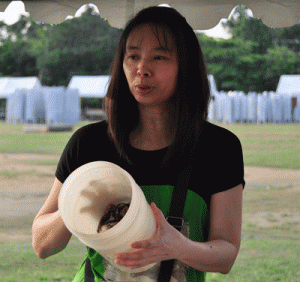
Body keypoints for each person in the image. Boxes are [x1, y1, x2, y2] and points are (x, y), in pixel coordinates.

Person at [32, 6, 245, 282]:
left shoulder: (219, 148)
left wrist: (177, 246)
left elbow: (226, 255)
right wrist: (79, 204)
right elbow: (42, 244)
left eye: (159, 57)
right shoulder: (89, 144)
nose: (142, 69)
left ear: (186, 66)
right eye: (133, 56)